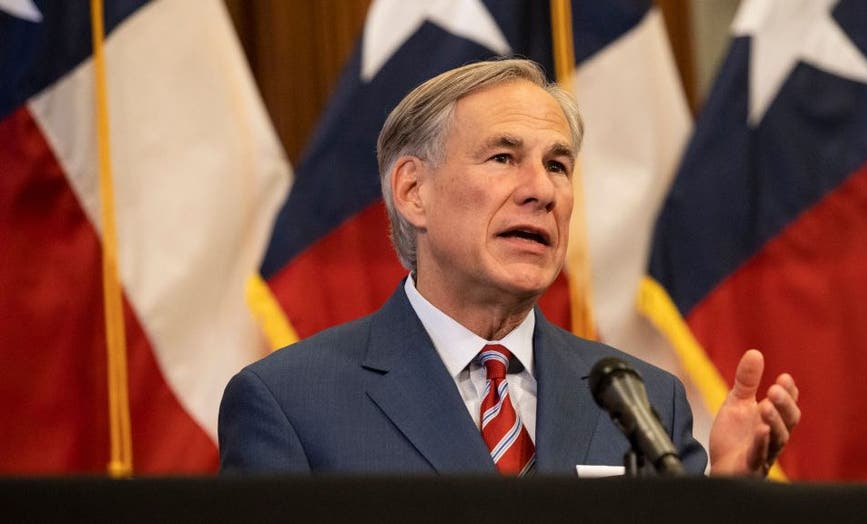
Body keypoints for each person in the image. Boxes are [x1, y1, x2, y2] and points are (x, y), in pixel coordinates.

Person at [218, 58, 800, 476]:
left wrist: (725, 501)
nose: (541, 191)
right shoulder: (290, 403)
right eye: (503, 158)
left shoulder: (645, 400)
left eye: (558, 165)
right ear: (413, 191)